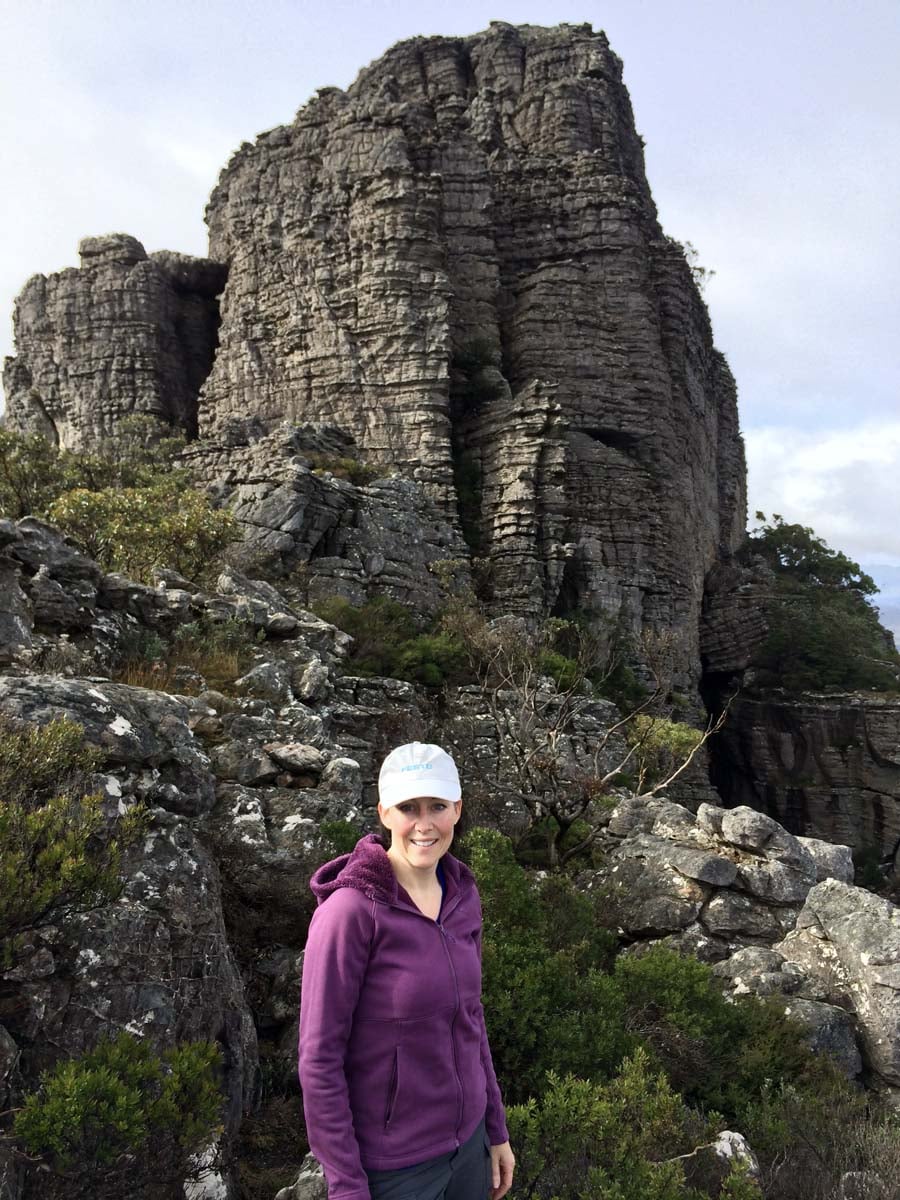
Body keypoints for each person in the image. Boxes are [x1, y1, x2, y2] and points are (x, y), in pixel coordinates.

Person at [298, 741, 516, 1200]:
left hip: (469, 1151)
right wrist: (348, 1188)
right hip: (396, 1170)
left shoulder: (462, 894)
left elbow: (471, 1020)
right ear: (383, 812)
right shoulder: (350, 912)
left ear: (457, 809)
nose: (423, 824)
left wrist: (495, 1129)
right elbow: (319, 1061)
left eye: (437, 806)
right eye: (407, 807)